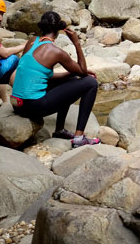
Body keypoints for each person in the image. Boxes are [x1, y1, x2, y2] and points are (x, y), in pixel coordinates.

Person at [10, 11, 99, 148]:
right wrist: (76, 43)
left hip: (18, 105)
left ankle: (59, 130)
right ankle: (79, 137)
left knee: (70, 79)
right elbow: (82, 72)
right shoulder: (55, 52)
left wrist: (69, 74)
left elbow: (40, 76)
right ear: (58, 30)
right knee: (91, 83)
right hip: (33, 107)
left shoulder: (32, 42)